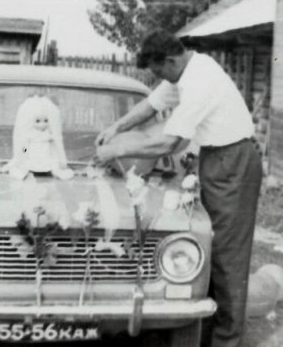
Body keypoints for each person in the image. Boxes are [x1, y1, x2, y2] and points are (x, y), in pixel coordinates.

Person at [94, 30, 262, 347]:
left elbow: (169, 142)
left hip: (233, 160)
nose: (160, 78)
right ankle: (211, 328)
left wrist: (117, 149)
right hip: (215, 158)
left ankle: (227, 340)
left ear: (170, 60)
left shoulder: (200, 81)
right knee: (206, 244)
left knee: (228, 255)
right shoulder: (184, 70)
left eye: (159, 71)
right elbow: (151, 104)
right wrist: (117, 126)